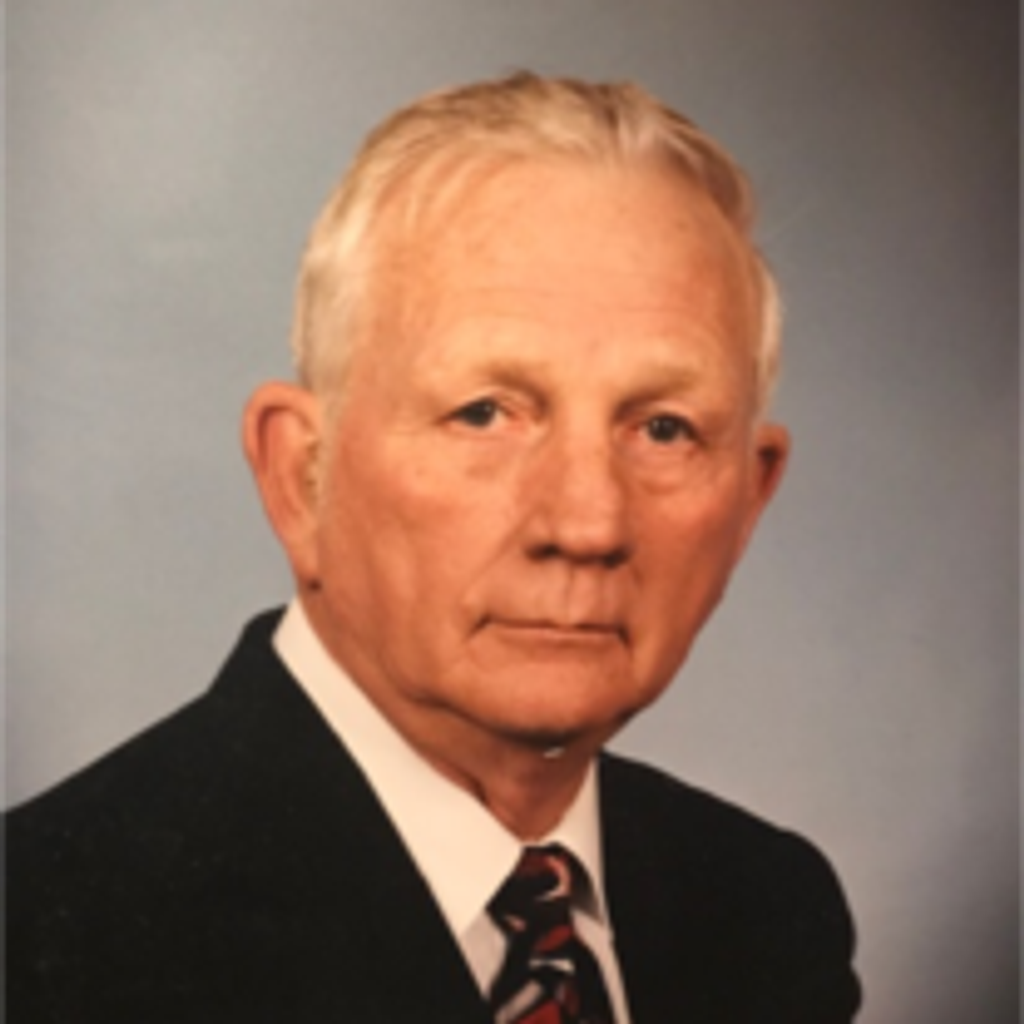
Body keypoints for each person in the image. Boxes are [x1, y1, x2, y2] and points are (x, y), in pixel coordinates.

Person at [1, 72, 861, 1023]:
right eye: (484, 413)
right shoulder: (46, 942)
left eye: (664, 429)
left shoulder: (765, 910)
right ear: (301, 479)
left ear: (749, 499)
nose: (587, 524)